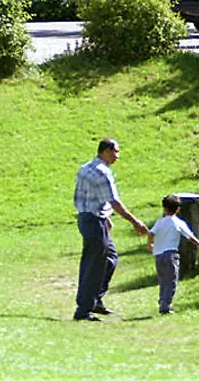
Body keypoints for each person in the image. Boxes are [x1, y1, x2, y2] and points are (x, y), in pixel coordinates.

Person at [72, 138, 147, 321]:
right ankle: (83, 310)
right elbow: (114, 202)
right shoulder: (102, 172)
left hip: (89, 218)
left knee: (110, 258)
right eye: (115, 152)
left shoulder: (85, 168)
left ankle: (95, 299)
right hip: (94, 222)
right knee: (93, 265)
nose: (117, 156)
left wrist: (105, 217)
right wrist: (135, 222)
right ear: (106, 151)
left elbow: (87, 197)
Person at [147, 194, 199, 315]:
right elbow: (190, 237)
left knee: (163, 281)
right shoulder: (178, 222)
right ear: (178, 209)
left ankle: (162, 301)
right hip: (171, 255)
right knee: (172, 281)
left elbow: (151, 233)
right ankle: (165, 306)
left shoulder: (159, 222)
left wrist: (150, 244)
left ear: (164, 208)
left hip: (159, 256)